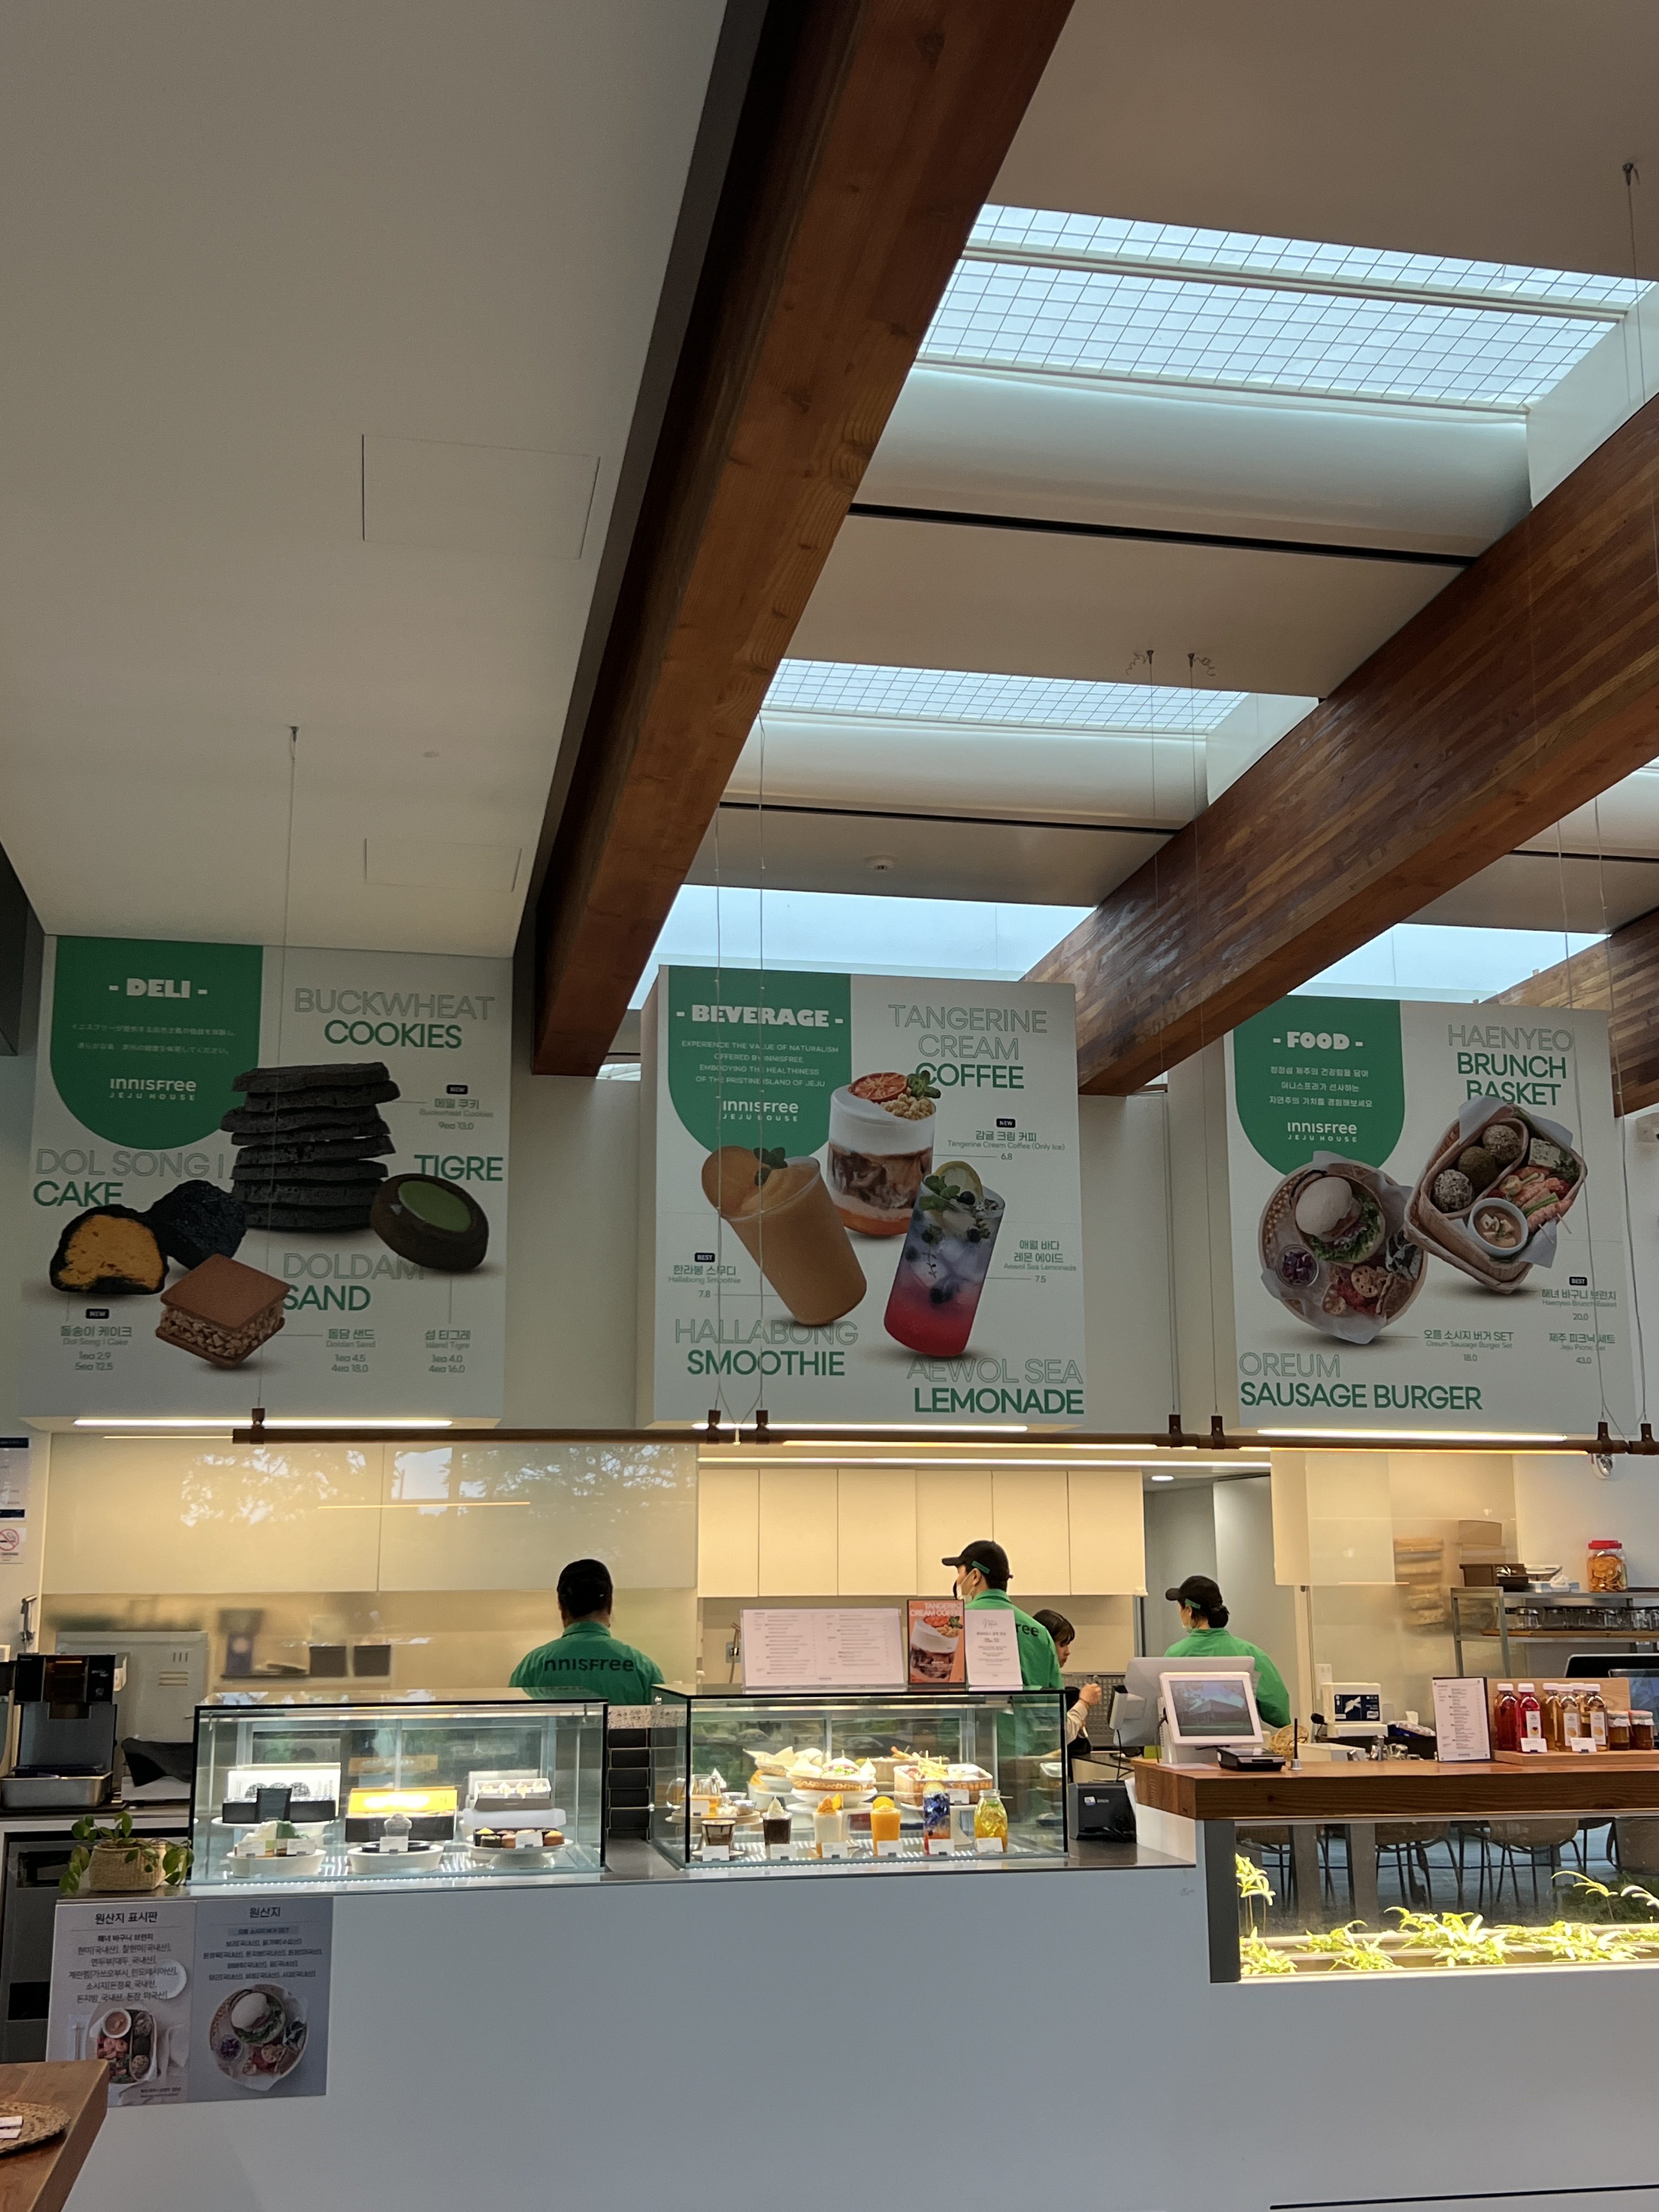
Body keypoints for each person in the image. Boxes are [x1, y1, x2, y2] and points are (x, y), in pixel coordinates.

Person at [510, 1558, 664, 1704]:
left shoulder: (533, 1667)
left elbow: (510, 1717)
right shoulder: (643, 1669)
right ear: (609, 1605)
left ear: (562, 1608)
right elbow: (667, 1718)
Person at [1163, 1573, 1291, 1728]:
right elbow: (1279, 1715)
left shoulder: (1175, 1655)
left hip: (1189, 1741)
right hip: (1242, 1742)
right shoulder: (1250, 1654)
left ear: (1189, 1610)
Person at [941, 1539, 1063, 1689]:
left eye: (959, 1573)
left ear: (975, 1576)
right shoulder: (1040, 1632)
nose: (957, 1581)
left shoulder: (955, 1624)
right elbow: (1057, 1697)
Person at [1032, 1607, 1101, 1762]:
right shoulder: (1040, 1686)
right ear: (1045, 1644)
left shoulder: (1046, 1679)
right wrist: (1084, 1703)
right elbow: (1059, 1736)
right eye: (1062, 1645)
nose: (1068, 1652)